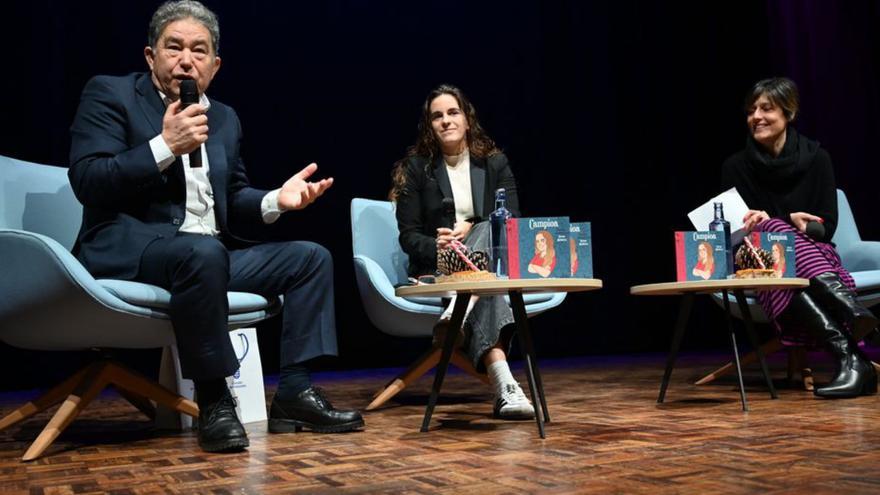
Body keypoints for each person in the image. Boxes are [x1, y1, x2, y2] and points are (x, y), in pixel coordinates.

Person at [68, 0, 363, 453]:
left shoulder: (224, 117)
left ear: (215, 64)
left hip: (205, 256)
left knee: (309, 257)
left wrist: (274, 201)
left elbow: (232, 200)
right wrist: (163, 146)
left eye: (199, 51)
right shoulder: (111, 94)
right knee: (201, 253)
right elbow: (89, 181)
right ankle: (214, 400)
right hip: (131, 248)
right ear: (151, 56)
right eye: (174, 47)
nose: (187, 59)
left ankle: (294, 393)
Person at [721, 77, 878, 398]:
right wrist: (777, 222)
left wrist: (803, 226)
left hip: (814, 255)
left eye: (767, 108)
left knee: (782, 260)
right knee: (770, 235)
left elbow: (828, 227)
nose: (756, 117)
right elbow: (734, 234)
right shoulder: (735, 166)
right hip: (758, 260)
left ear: (789, 114)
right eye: (751, 110)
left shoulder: (818, 159)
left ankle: (851, 360)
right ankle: (850, 313)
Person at [391, 84, 535, 419]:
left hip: (485, 266)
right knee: (490, 289)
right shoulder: (416, 168)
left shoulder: (494, 163)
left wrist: (473, 226)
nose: (445, 121)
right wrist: (436, 244)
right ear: (429, 126)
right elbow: (408, 237)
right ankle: (506, 386)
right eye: (436, 116)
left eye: (452, 112)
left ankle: (458, 309)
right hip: (440, 267)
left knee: (490, 228)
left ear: (467, 119)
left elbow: (512, 222)